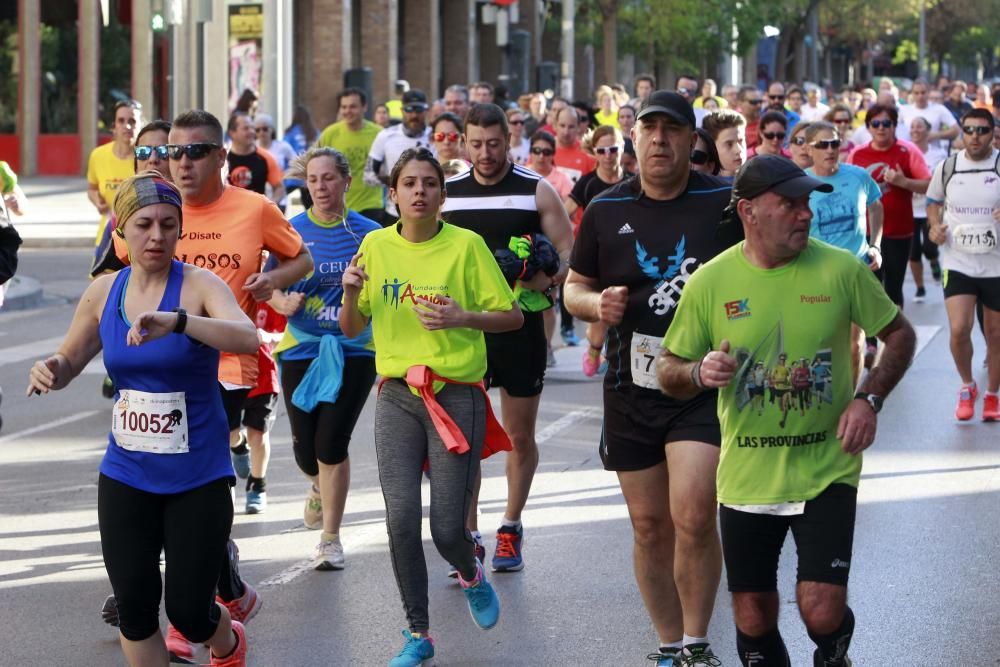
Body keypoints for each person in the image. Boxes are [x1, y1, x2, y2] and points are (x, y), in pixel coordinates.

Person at [659, 154, 916, 667]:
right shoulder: (711, 282)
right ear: (749, 211)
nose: (806, 214)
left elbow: (900, 334)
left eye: (807, 203)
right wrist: (696, 373)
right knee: (752, 616)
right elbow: (668, 366)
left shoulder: (840, 269)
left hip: (827, 468)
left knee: (820, 609)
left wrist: (868, 398)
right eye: (791, 204)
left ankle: (833, 653)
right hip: (748, 474)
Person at [30, 171, 261, 667]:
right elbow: (70, 359)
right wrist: (52, 368)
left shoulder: (198, 285)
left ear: (180, 230)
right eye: (144, 224)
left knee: (190, 612)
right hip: (126, 473)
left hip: (196, 475)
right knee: (134, 610)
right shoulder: (104, 292)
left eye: (168, 224)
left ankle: (229, 642)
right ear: (122, 231)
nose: (156, 235)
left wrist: (178, 321)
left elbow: (246, 338)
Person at [564, 90, 736, 667]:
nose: (659, 139)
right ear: (633, 138)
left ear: (692, 140)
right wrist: (596, 306)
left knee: (692, 514)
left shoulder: (725, 204)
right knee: (648, 527)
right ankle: (668, 643)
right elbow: (573, 287)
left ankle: (697, 641)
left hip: (701, 386)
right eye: (649, 129)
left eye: (672, 130)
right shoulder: (606, 211)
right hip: (629, 386)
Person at [339, 148, 518, 666]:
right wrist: (350, 295)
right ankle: (418, 633)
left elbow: (511, 317)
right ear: (392, 195)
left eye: (430, 184)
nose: (419, 191)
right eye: (409, 184)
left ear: (443, 194)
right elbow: (353, 329)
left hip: (455, 394)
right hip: (397, 394)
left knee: (445, 528)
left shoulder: (467, 246)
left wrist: (463, 316)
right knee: (398, 520)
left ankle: (470, 571)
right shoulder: (374, 245)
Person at [441, 104, 575, 574]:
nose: (485, 153)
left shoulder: (534, 190)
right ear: (463, 142)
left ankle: (510, 527)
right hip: (465, 333)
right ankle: (470, 536)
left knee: (518, 436)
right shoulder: (448, 195)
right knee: (469, 439)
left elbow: (565, 250)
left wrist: (549, 277)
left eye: (493, 143)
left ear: (508, 141)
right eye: (475, 143)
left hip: (519, 330)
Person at [269, 147, 382, 565]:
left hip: (355, 349)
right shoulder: (291, 232)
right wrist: (281, 303)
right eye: (313, 179)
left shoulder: (370, 234)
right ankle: (318, 485)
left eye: (328, 178)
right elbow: (269, 284)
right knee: (305, 450)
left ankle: (330, 538)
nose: (320, 186)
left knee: (331, 443)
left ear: (346, 182)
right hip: (301, 347)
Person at [927, 108, 1000, 421]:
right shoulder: (948, 167)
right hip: (958, 261)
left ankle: (993, 394)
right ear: (962, 132)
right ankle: (967, 385)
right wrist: (934, 227)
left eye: (982, 130)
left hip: (996, 264)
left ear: (992, 133)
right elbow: (932, 202)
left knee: (996, 333)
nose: (975, 136)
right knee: (959, 329)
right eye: (969, 130)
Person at [805, 121, 885, 380]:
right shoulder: (800, 183)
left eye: (835, 143)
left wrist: (876, 246)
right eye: (822, 145)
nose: (830, 149)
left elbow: (876, 205)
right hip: (817, 273)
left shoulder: (859, 177)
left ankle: (847, 403)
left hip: (856, 270)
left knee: (854, 344)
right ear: (808, 148)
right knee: (821, 343)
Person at [848, 104, 931, 307]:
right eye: (875, 123)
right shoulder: (857, 154)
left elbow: (929, 185)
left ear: (894, 126)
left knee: (893, 289)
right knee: (870, 288)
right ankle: (871, 339)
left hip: (898, 232)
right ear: (868, 127)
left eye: (886, 123)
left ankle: (893, 338)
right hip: (864, 233)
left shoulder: (908, 150)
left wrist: (904, 182)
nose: (881, 128)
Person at [317, 88, 385, 222]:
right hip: (339, 205)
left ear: (364, 107)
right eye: (344, 107)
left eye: (353, 107)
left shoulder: (379, 134)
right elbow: (314, 164)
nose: (347, 111)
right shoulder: (330, 134)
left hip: (372, 204)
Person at [365, 89, 432, 225]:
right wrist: (393, 182)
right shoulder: (386, 136)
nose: (414, 114)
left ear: (426, 111)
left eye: (419, 109)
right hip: (395, 213)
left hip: (431, 212)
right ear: (402, 110)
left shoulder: (436, 136)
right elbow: (368, 175)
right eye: (409, 109)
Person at [88, 100, 141, 249]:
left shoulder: (146, 157)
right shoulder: (98, 155)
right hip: (107, 238)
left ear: (140, 126)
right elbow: (92, 188)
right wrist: (97, 201)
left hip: (138, 242)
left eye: (132, 121)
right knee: (99, 273)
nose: (127, 126)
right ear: (114, 127)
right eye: (121, 121)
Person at [908, 117, 947, 302]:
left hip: (930, 208)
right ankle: (920, 288)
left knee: (930, 248)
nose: (915, 130)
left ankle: (933, 261)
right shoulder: (905, 150)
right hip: (909, 209)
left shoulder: (938, 154)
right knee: (913, 252)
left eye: (919, 126)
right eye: (912, 127)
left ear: (928, 130)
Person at [225, 112, 286, 205]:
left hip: (256, 215)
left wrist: (271, 204)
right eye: (246, 128)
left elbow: (279, 187)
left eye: (252, 128)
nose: (252, 132)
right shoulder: (222, 158)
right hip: (229, 215)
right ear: (232, 133)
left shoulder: (265, 157)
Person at [896, 79, 959, 150]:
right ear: (912, 94)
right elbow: (896, 131)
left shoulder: (939, 109)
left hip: (933, 154)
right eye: (916, 93)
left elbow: (956, 130)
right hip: (910, 153)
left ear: (928, 92)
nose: (920, 96)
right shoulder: (904, 110)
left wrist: (936, 135)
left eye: (923, 93)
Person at [254, 113, 297, 211]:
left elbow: (297, 162)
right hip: (257, 199)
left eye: (265, 129)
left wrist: (285, 175)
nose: (261, 133)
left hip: (279, 199)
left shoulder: (282, 146)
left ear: (271, 129)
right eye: (257, 130)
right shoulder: (252, 148)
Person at [553, 106, 597, 185]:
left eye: (571, 127)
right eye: (562, 125)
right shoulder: (543, 151)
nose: (566, 132)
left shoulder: (587, 153)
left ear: (578, 127)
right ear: (555, 125)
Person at [528, 130, 574, 200]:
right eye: (537, 150)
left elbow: (568, 209)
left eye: (546, 152)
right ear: (530, 152)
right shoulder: (520, 175)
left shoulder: (563, 179)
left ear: (553, 154)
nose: (541, 156)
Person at [703, 109, 747, 178]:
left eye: (741, 141)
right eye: (729, 144)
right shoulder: (704, 186)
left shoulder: (758, 180)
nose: (739, 150)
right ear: (712, 146)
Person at [737, 85, 763, 150]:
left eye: (760, 101)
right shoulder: (732, 125)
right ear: (740, 103)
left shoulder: (767, 124)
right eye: (754, 102)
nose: (759, 105)